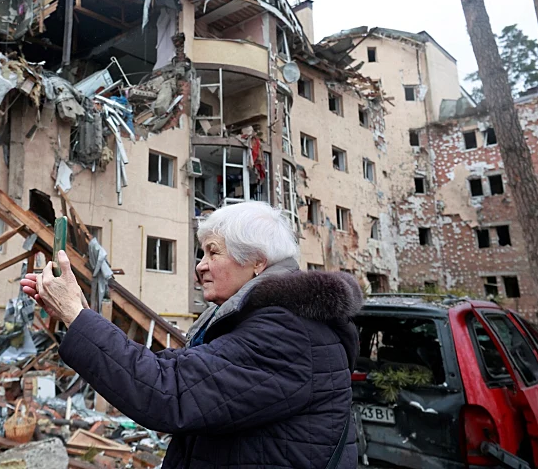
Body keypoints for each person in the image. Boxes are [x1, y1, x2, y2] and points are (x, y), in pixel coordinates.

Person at [21, 201, 363, 469]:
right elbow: (175, 370)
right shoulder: (272, 323)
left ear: (257, 262)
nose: (200, 265)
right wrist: (82, 315)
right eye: (202, 253)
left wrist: (77, 317)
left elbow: (170, 392)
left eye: (213, 252)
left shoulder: (285, 333)